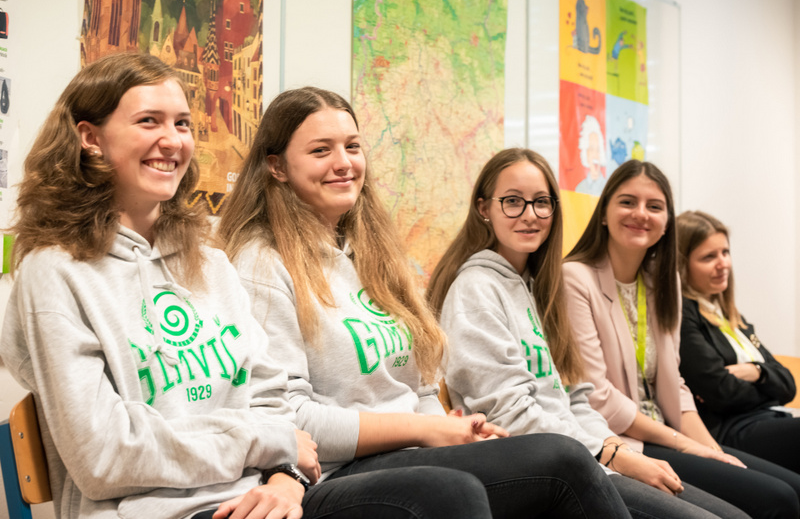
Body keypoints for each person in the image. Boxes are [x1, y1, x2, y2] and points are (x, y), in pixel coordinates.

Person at [218, 86, 631, 518]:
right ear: (277, 166)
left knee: (562, 458)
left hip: (412, 454)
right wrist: (426, 430)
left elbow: (420, 390)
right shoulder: (260, 262)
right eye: (321, 150)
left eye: (352, 147)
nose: (343, 163)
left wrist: (451, 431)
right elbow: (290, 419)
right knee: (547, 463)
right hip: (334, 472)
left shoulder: (374, 255)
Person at [0, 52, 329, 519]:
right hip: (149, 511)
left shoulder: (210, 261)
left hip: (258, 496)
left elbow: (270, 398)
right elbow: (104, 457)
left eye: (182, 124)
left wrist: (285, 480)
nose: (173, 140)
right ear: (90, 138)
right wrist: (263, 441)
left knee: (431, 489)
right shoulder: (54, 272)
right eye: (149, 121)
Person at [426, 148, 745, 519]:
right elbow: (512, 415)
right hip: (546, 470)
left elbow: (576, 395)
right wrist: (610, 454)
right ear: (484, 209)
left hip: (586, 457)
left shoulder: (539, 288)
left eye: (541, 202)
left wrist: (613, 448)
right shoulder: (476, 289)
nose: (530, 215)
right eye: (512, 201)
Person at [562, 159, 800, 519]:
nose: (641, 213)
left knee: (791, 490)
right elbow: (598, 397)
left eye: (654, 206)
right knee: (777, 499)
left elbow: (675, 385)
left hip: (670, 432)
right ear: (604, 213)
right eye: (627, 202)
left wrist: (710, 449)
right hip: (620, 441)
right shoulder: (575, 278)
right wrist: (687, 445)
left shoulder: (663, 281)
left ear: (667, 223)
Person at [677, 210, 800, 473]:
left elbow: (789, 385)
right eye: (709, 257)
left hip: (767, 417)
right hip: (731, 428)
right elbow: (721, 392)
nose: (723, 264)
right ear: (682, 265)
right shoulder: (683, 314)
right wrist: (768, 386)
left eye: (725, 252)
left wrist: (756, 372)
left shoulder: (731, 316)